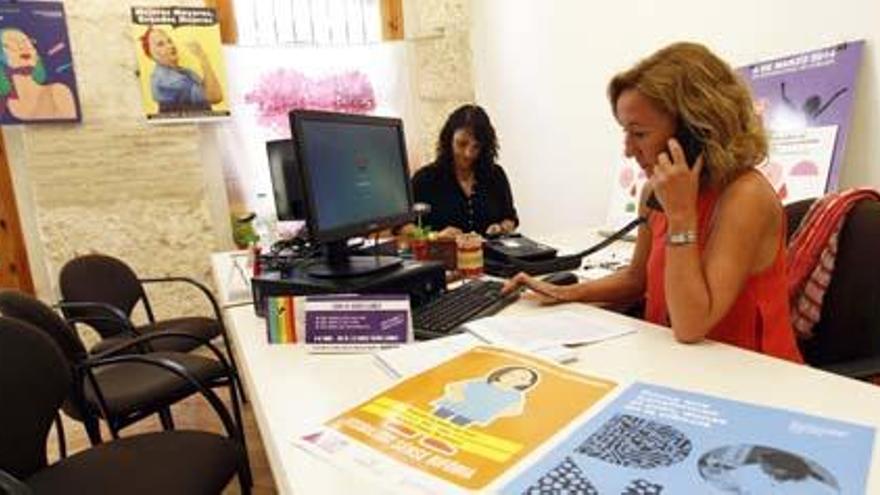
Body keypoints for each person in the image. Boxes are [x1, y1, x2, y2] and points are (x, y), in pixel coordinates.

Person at [503, 42, 803, 362]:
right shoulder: (655, 192)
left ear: (693, 133)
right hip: (677, 363)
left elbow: (691, 325)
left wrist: (681, 215)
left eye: (640, 134)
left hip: (753, 376)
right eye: (625, 132)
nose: (628, 150)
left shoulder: (745, 197)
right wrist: (566, 292)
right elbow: (637, 279)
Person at [408, 104, 519, 238]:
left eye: (476, 147)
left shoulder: (495, 175)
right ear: (448, 141)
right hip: (442, 255)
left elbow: (510, 219)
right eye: (461, 144)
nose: (468, 154)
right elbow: (402, 226)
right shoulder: (425, 179)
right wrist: (435, 236)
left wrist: (500, 228)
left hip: (489, 256)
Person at [140, 26, 222, 113]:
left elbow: (207, 89)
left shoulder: (184, 72)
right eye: (160, 44)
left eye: (169, 41)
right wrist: (203, 57)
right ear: (150, 54)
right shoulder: (165, 79)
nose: (170, 46)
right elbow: (215, 97)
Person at [0, 28, 77, 121]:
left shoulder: (57, 91)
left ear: (36, 55)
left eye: (27, 42)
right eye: (10, 45)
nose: (22, 47)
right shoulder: (3, 104)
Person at [431, 366, 539, 427]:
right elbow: (454, 385)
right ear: (501, 373)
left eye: (521, 378)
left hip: (473, 414)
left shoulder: (515, 395)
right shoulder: (482, 382)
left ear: (526, 384)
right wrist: (457, 395)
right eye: (511, 374)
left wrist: (494, 412)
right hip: (453, 405)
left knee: (456, 427)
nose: (513, 378)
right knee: (434, 419)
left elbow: (516, 410)